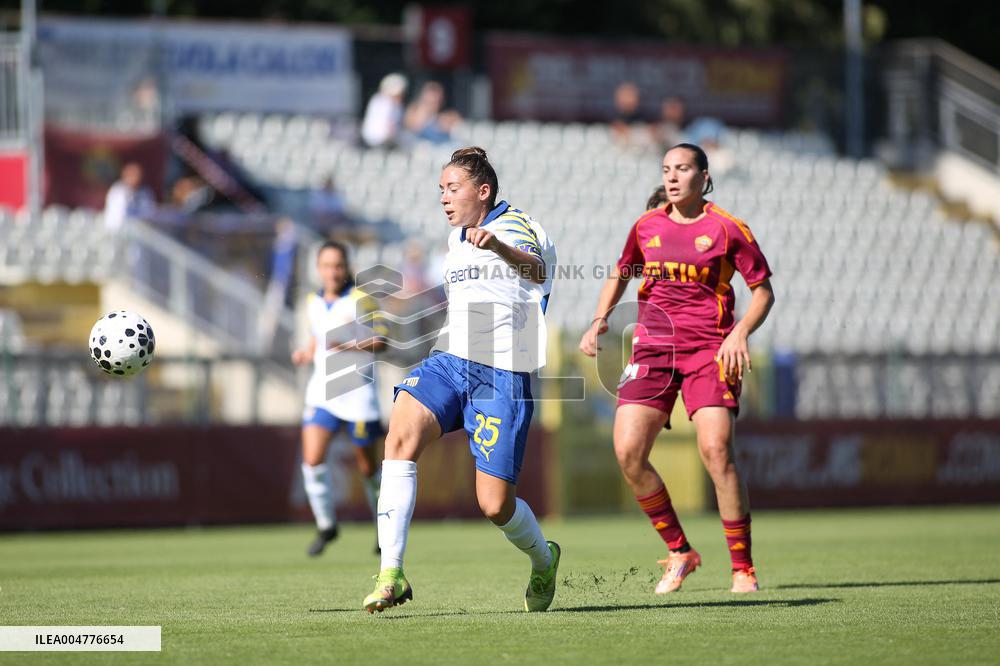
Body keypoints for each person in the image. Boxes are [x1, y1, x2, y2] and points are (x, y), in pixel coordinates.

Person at [363, 147, 560, 614]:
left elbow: (537, 270)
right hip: (450, 361)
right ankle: (391, 573)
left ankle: (543, 558)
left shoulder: (517, 226)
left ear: (483, 191)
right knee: (400, 436)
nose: (444, 198)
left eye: (452, 188)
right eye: (441, 190)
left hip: (503, 372)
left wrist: (497, 247)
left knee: (495, 505)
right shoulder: (456, 240)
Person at [578, 143, 775, 594]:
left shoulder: (728, 228)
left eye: (682, 168)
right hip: (653, 350)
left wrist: (740, 332)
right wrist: (599, 319)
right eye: (666, 168)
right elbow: (621, 272)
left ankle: (742, 568)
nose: (671, 176)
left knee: (716, 451)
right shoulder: (646, 225)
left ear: (704, 177)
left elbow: (763, 291)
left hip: (710, 350)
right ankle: (680, 550)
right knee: (628, 451)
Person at [291, 240, 389, 557]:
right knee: (312, 461)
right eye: (326, 266)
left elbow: (382, 339)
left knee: (368, 469)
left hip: (358, 395)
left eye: (338, 265)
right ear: (318, 269)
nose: (332, 272)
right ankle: (326, 525)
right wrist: (306, 352)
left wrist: (349, 346)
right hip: (322, 393)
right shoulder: (313, 301)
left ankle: (384, 529)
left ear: (347, 267)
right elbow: (317, 337)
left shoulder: (362, 300)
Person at [361, 73, 408, 149]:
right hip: (381, 143)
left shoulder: (377, 99)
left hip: (372, 141)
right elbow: (390, 128)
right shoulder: (388, 103)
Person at [104, 162, 155, 232]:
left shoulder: (144, 192)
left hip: (140, 231)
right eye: (131, 175)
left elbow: (149, 213)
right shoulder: (118, 191)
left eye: (137, 175)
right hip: (119, 231)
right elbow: (117, 216)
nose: (135, 178)